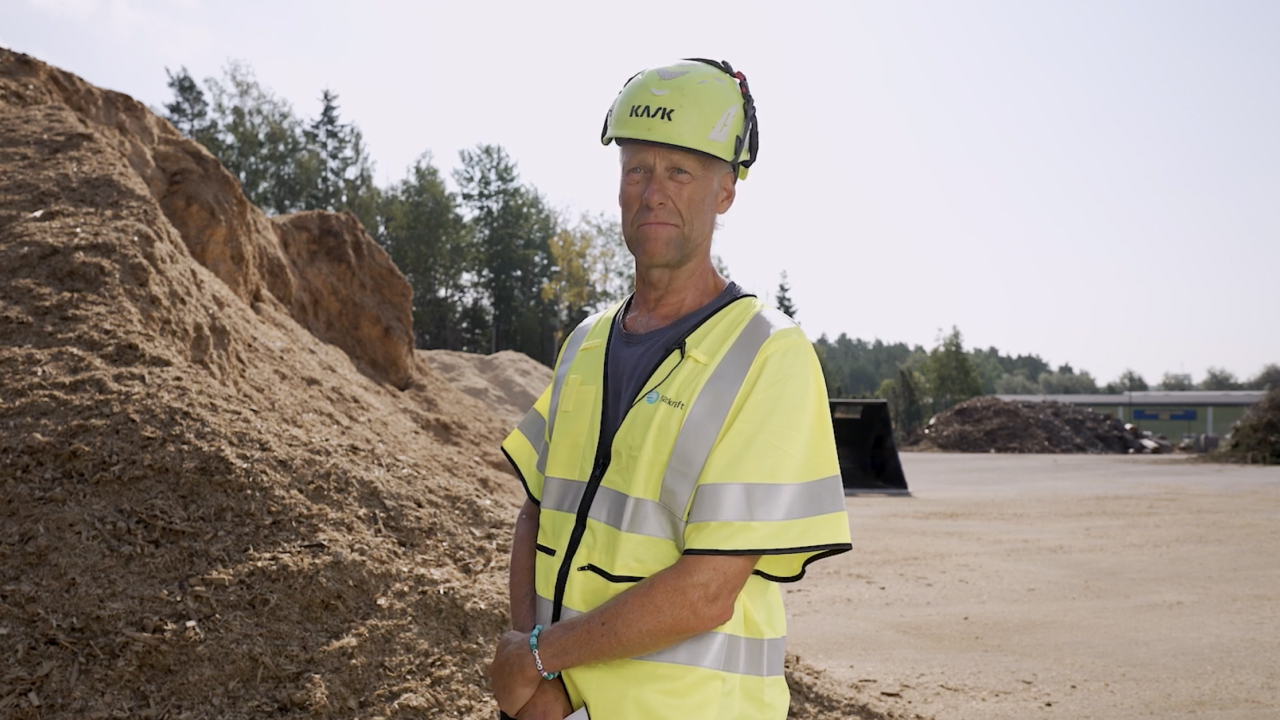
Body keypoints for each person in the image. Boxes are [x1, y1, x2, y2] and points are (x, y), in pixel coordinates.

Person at [488, 58, 852, 720]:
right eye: (637, 169)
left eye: (680, 171)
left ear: (725, 192)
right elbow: (537, 512)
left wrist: (541, 657)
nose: (653, 191)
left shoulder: (768, 355)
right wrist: (532, 674)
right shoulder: (586, 344)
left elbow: (707, 590)